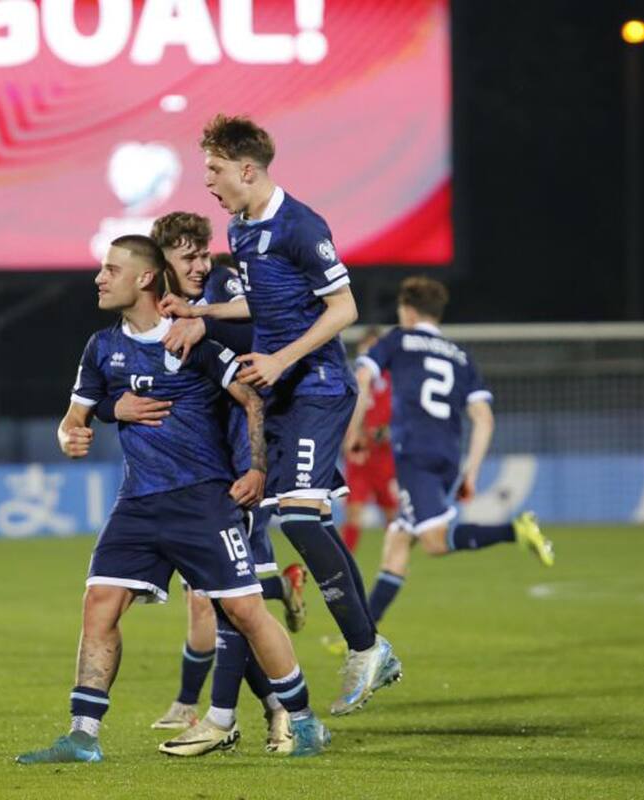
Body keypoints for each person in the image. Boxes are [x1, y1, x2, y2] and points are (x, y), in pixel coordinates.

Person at [15, 235, 331, 764]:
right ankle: (83, 735)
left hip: (201, 500)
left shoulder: (190, 340)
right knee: (99, 605)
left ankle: (302, 720)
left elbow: (251, 397)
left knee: (245, 610)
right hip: (137, 501)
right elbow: (73, 420)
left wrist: (256, 468)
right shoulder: (100, 348)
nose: (99, 278)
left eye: (110, 269)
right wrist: (73, 434)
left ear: (143, 278)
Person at [201, 113, 398, 716]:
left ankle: (367, 647)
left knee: (298, 519)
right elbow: (263, 305)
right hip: (285, 395)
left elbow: (343, 308)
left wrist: (282, 359)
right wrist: (200, 312)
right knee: (304, 520)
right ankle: (369, 648)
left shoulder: (300, 224)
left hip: (316, 384)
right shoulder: (239, 229)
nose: (207, 181)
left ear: (247, 168)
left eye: (213, 169)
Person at [93, 212, 305, 755]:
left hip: (240, 469)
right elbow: (115, 383)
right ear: (158, 267)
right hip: (206, 476)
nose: (201, 264)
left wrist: (205, 317)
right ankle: (227, 710)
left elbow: (269, 323)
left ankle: (234, 715)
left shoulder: (221, 292)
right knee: (216, 601)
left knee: (234, 601)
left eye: (202, 254)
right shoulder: (161, 319)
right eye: (187, 257)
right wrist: (112, 407)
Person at [347, 277, 554, 624]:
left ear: (409, 312)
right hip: (447, 455)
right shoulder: (461, 356)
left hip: (413, 452)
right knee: (398, 542)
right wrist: (470, 472)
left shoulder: (398, 340)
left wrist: (353, 432)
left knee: (434, 542)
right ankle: (361, 637)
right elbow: (484, 418)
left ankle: (515, 529)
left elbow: (363, 379)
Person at [342, 327, 400, 553]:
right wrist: (350, 436)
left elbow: (401, 419)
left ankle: (395, 560)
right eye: (365, 348)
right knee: (354, 513)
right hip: (359, 456)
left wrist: (383, 433)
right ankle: (344, 563)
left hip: (384, 456)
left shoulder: (392, 380)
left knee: (390, 514)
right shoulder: (352, 379)